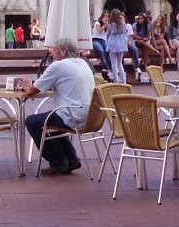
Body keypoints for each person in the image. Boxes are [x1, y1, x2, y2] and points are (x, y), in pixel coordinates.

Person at [20, 37, 94, 176]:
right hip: (91, 115)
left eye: (53, 51)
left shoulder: (58, 66)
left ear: (62, 52)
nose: (51, 54)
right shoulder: (83, 63)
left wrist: (25, 83)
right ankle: (71, 158)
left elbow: (31, 90)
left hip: (74, 115)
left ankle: (57, 162)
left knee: (32, 121)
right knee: (52, 119)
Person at [105, 9, 129, 84]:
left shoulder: (110, 24)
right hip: (121, 43)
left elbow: (108, 34)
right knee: (120, 62)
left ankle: (116, 80)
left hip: (113, 42)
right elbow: (125, 32)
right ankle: (123, 79)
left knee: (114, 62)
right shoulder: (123, 23)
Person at [91, 11, 112, 79]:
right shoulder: (97, 23)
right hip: (95, 40)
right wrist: (104, 25)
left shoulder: (108, 25)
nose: (106, 17)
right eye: (105, 16)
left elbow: (109, 34)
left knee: (107, 49)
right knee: (101, 50)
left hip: (103, 40)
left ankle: (105, 68)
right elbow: (99, 30)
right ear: (102, 16)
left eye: (107, 16)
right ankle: (107, 68)